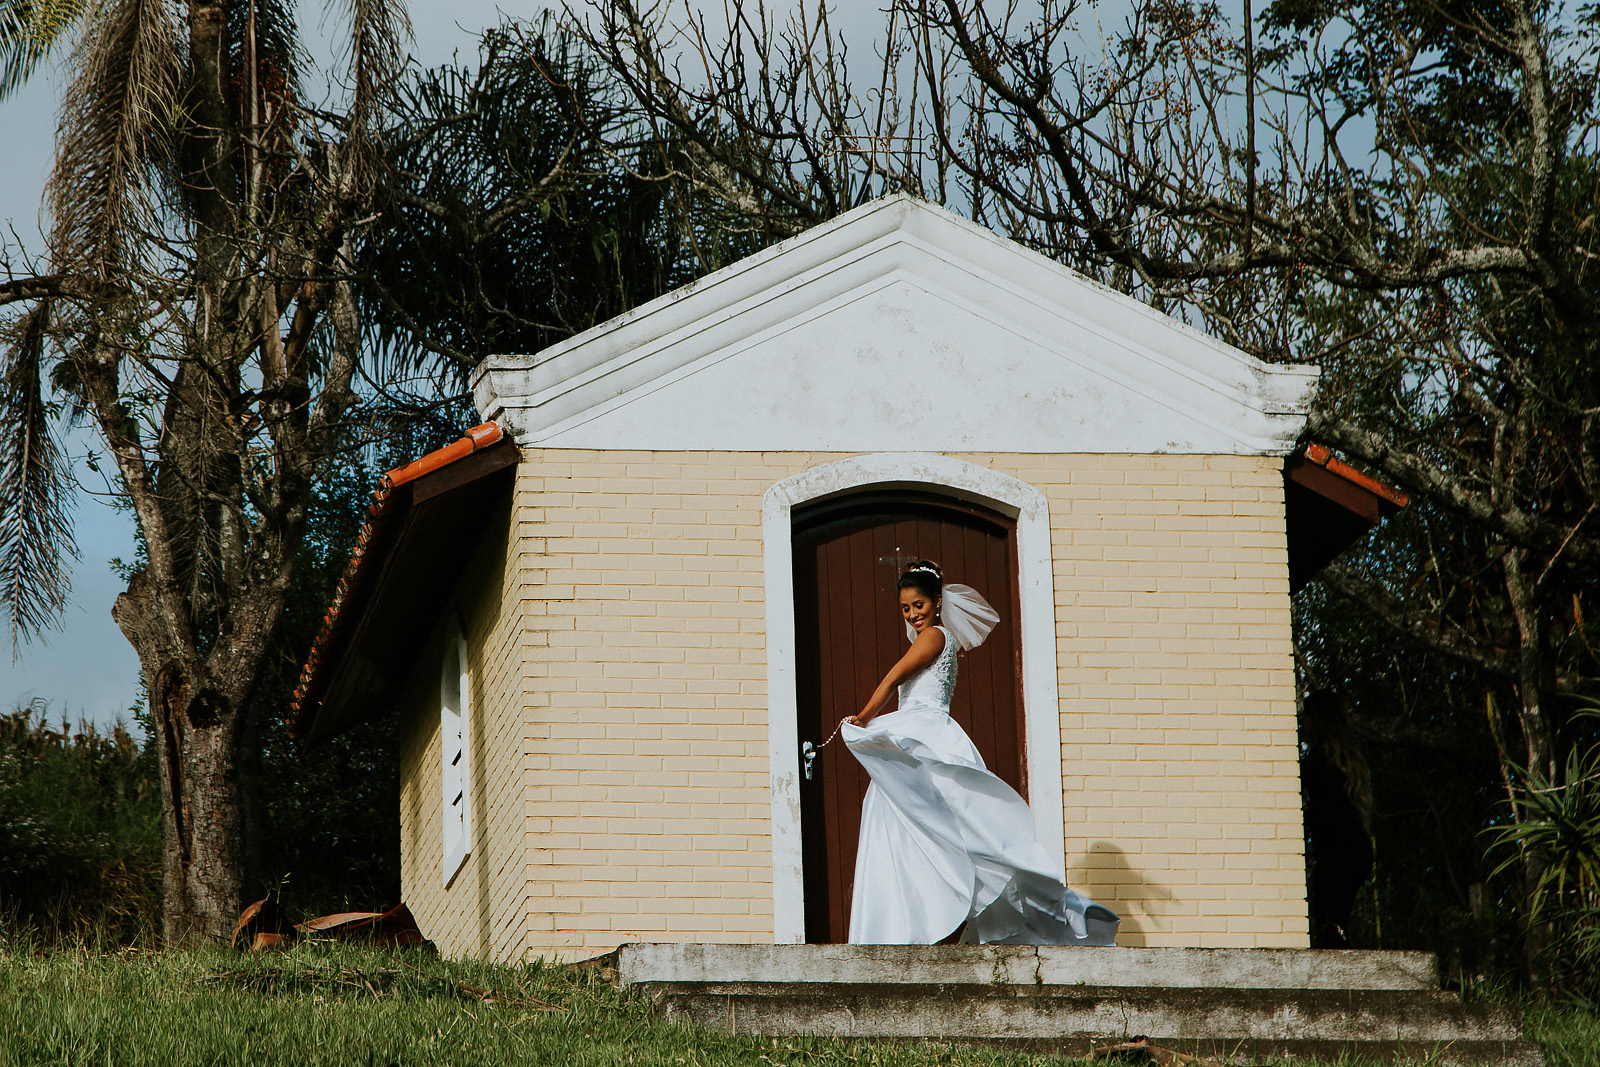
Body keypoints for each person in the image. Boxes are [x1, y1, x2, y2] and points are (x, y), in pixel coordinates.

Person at [839, 560, 1120, 946]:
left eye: (919, 604)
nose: (913, 614)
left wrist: (863, 717)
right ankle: (917, 920)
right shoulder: (934, 638)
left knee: (946, 824)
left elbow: (892, 679)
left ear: (937, 602)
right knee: (925, 823)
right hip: (919, 731)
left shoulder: (933, 636)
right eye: (905, 608)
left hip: (926, 734)